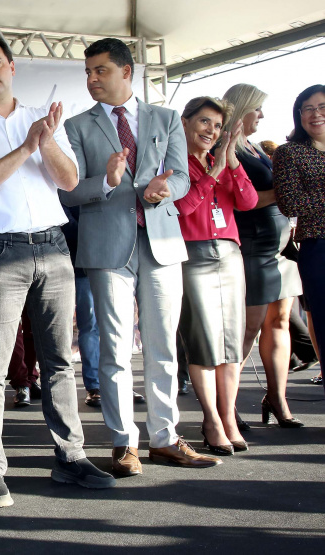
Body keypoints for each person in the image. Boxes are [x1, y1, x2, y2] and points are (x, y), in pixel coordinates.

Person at [0, 34, 116, 507]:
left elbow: (67, 180)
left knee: (60, 359)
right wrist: (27, 146)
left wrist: (45, 141)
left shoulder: (43, 119)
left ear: (12, 67)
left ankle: (70, 457)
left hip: (52, 245)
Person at [60, 38, 221, 475]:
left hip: (162, 243)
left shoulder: (166, 118)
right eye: (88, 72)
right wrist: (108, 182)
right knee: (113, 348)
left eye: (101, 70)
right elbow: (68, 191)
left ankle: (165, 438)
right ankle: (123, 443)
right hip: (107, 247)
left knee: (163, 347)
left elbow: (185, 178)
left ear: (126, 71)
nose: (92, 79)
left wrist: (165, 189)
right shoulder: (75, 126)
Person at [174, 96, 258, 454]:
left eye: (218, 126)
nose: (212, 131)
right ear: (186, 122)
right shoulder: (173, 164)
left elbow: (249, 201)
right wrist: (211, 174)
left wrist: (232, 161)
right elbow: (182, 207)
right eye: (205, 122)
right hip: (192, 256)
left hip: (229, 253)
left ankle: (227, 416)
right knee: (204, 341)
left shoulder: (222, 160)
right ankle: (209, 419)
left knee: (231, 342)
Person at [221, 84, 304, 428]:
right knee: (247, 331)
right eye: (258, 109)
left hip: (281, 249)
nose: (263, 116)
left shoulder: (254, 146)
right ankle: (227, 406)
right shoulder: (225, 148)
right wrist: (287, 193)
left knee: (281, 323)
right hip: (253, 247)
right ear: (242, 109)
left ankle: (277, 399)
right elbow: (244, 199)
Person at [274, 84, 325, 398]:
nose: (316, 114)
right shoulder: (290, 152)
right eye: (308, 108)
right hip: (318, 246)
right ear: (299, 115)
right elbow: (290, 202)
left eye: (321, 107)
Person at [61, 204, 102, 407]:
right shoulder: (66, 187)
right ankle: (94, 386)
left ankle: (115, 382)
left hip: (110, 261)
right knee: (89, 326)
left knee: (111, 326)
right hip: (76, 265)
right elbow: (66, 223)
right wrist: (98, 232)